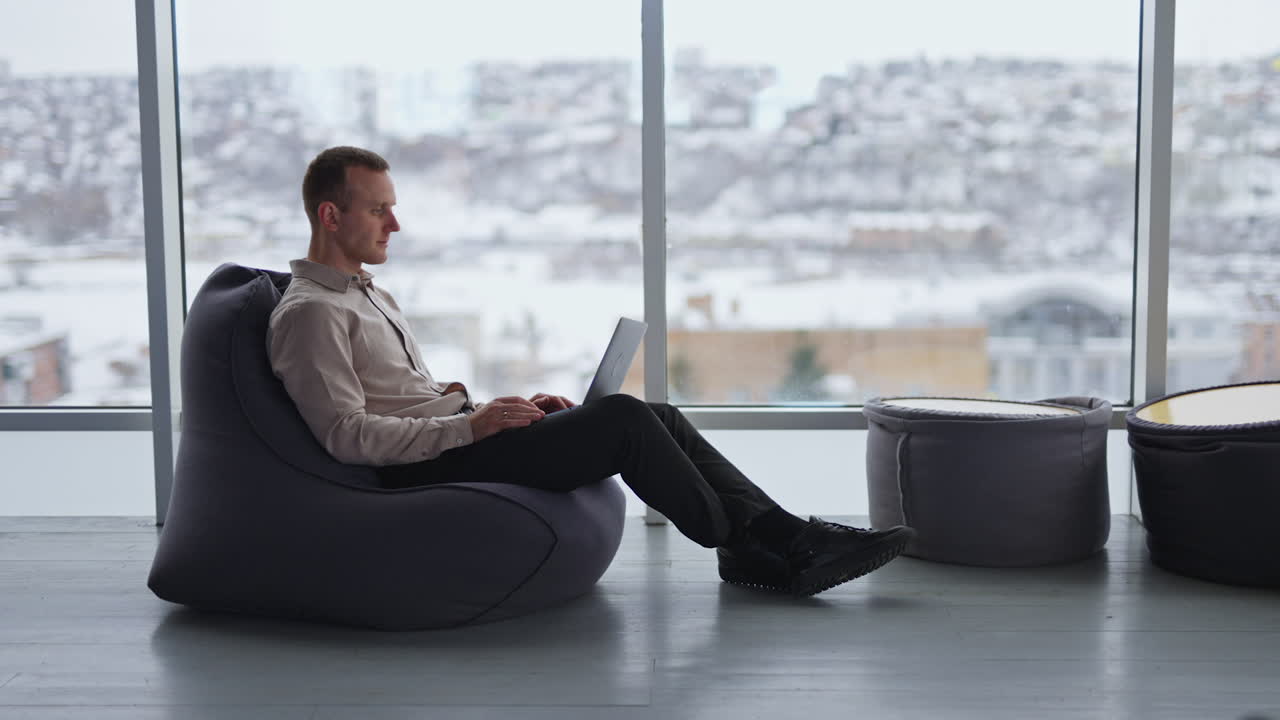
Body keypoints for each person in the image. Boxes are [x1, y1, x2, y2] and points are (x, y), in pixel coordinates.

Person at [267, 146, 915, 597]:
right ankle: (760, 542)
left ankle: (770, 542)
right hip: (423, 469)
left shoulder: (370, 293)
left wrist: (502, 412)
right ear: (331, 215)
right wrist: (471, 429)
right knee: (624, 420)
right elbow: (347, 436)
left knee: (654, 414)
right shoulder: (312, 313)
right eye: (378, 209)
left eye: (392, 207)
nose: (396, 224)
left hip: (455, 440)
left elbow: (407, 399)